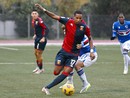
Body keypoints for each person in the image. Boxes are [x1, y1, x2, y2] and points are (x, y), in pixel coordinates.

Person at [35, 3, 95, 95]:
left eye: (80, 18)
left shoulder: (84, 27)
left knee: (66, 73)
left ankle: (46, 87)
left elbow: (90, 38)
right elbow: (54, 16)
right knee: (56, 72)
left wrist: (91, 51)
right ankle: (64, 65)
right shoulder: (68, 21)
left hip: (74, 55)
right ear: (73, 17)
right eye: (77, 18)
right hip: (63, 52)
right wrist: (43, 9)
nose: (79, 20)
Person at [60, 26, 98, 93]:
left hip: (90, 55)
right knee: (69, 63)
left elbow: (88, 39)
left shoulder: (78, 33)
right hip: (82, 55)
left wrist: (82, 44)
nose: (65, 32)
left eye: (65, 30)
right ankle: (70, 83)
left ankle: (85, 83)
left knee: (76, 64)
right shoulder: (70, 34)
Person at [31, 10, 49, 74]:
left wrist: (43, 38)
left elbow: (47, 29)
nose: (34, 15)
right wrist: (35, 34)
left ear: (38, 14)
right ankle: (38, 67)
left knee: (39, 54)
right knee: (35, 53)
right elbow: (36, 29)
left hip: (42, 39)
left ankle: (41, 69)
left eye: (35, 13)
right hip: (37, 38)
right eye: (33, 13)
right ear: (31, 15)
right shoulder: (33, 21)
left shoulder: (40, 21)